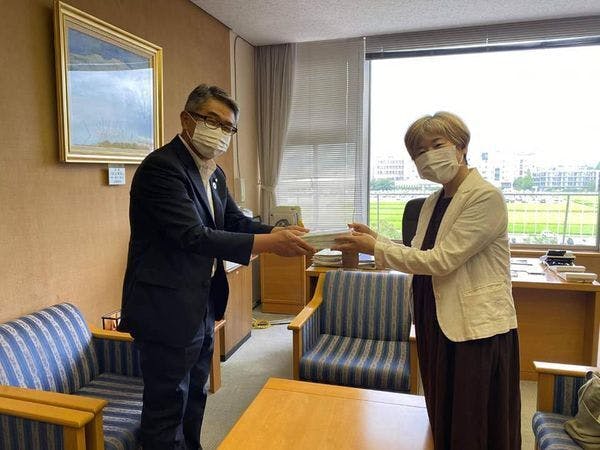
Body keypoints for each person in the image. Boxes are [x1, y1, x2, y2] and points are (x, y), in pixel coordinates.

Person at [118, 84, 316, 450]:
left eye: (228, 127)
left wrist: (275, 232)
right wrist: (272, 244)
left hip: (203, 302)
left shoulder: (214, 173)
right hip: (165, 310)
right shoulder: (162, 168)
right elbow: (193, 236)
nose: (221, 132)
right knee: (167, 407)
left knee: (196, 393)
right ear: (186, 119)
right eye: (213, 121)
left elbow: (234, 222)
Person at [332, 111, 521, 450]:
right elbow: (419, 252)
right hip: (433, 316)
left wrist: (374, 248)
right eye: (419, 151)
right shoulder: (433, 201)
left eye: (437, 145)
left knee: (472, 416)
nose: (428, 156)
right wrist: (376, 238)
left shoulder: (485, 197)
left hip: (474, 326)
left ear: (461, 147)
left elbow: (441, 261)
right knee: (442, 405)